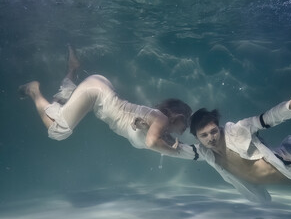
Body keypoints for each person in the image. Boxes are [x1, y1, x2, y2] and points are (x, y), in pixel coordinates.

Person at [19, 45, 197, 158]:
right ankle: (33, 90)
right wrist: (173, 151)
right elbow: (151, 143)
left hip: (99, 90)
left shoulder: (157, 122)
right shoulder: (161, 119)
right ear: (178, 115)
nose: (185, 130)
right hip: (97, 93)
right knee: (59, 130)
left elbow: (154, 138)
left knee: (63, 99)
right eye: (186, 123)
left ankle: (73, 68)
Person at [189, 94, 291, 202]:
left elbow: (265, 119)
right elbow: (173, 149)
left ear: (219, 127)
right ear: (197, 138)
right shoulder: (206, 154)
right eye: (204, 135)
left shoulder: (237, 131)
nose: (211, 138)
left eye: (213, 131)